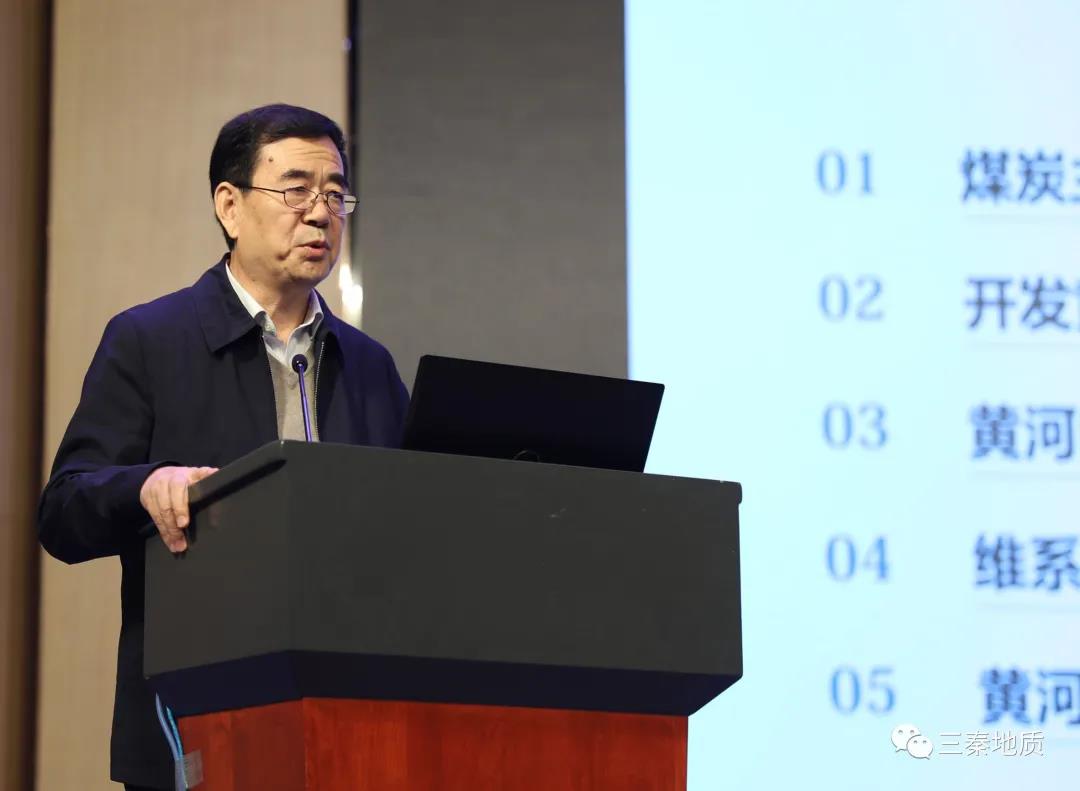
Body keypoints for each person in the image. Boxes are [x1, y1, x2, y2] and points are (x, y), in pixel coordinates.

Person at [37, 104, 409, 790]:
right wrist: (144, 487)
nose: (320, 213)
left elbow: (408, 528)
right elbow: (62, 511)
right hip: (197, 725)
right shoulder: (150, 340)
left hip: (350, 728)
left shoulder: (369, 365)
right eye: (296, 190)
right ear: (230, 206)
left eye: (335, 194)